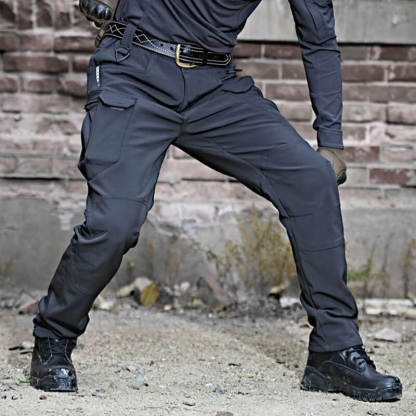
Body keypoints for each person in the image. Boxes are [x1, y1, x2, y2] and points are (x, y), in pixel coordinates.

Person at [29, 0, 402, 402]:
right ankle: (53, 335)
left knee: (312, 179)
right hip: (134, 70)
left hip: (215, 85)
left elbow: (319, 37)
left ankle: (335, 350)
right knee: (115, 222)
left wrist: (331, 140)